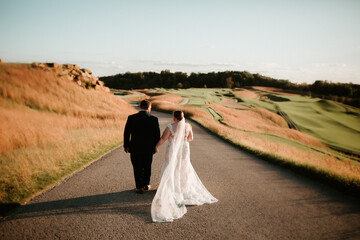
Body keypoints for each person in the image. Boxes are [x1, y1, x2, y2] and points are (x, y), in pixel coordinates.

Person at [151, 111, 218, 222]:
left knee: (170, 167)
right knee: (184, 168)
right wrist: (183, 139)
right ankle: (182, 188)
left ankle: (169, 188)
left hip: (173, 150)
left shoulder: (170, 127)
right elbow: (190, 139)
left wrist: (156, 146)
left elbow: (163, 138)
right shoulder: (188, 126)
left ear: (174, 117)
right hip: (185, 149)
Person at [123, 100, 160, 194]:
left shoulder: (131, 118)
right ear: (149, 107)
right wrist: (155, 146)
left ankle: (139, 187)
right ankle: (146, 185)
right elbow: (157, 135)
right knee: (147, 166)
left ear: (141, 107)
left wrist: (126, 145)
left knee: (137, 166)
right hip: (148, 148)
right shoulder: (154, 119)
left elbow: (127, 133)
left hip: (135, 147)